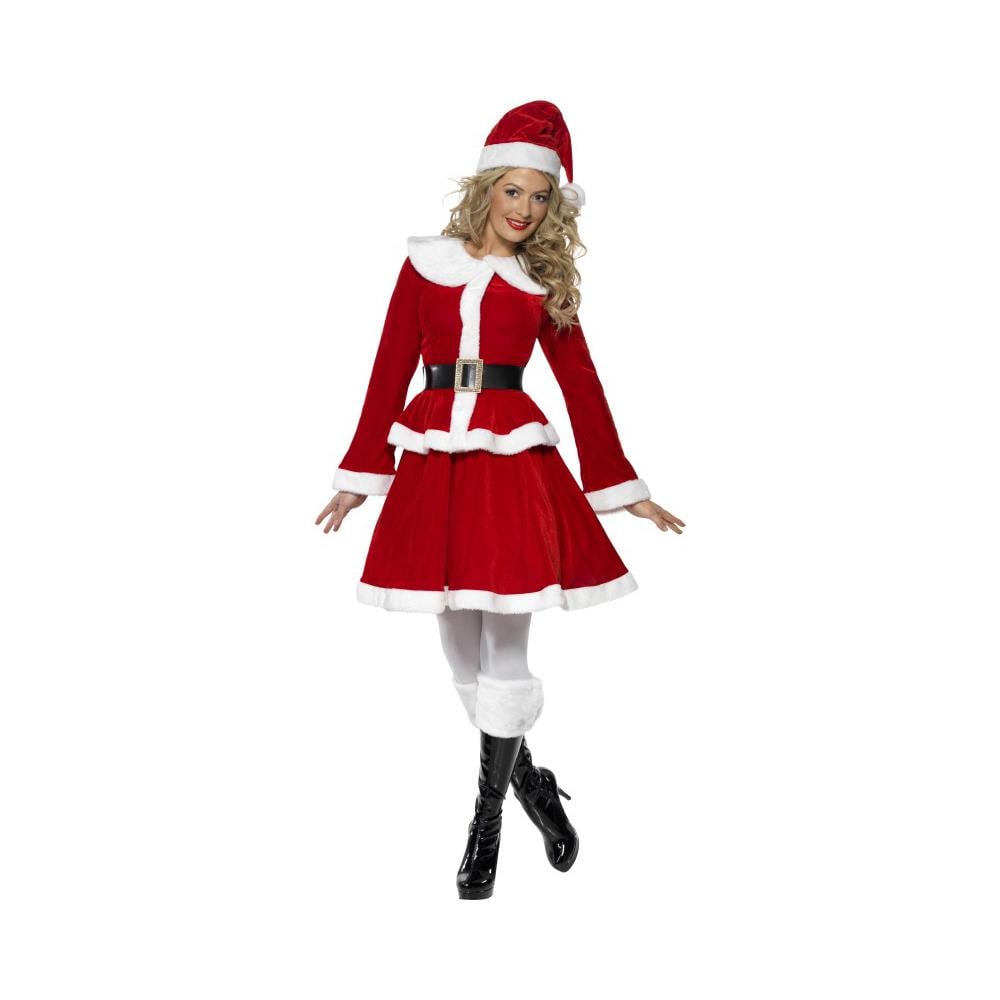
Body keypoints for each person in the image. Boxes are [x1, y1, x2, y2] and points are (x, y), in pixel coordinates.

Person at [315, 100, 685, 900]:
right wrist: (358, 473)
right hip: (435, 462)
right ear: (486, 189)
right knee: (460, 655)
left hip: (513, 462)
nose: (526, 209)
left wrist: (624, 488)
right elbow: (388, 366)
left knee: (505, 651)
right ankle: (532, 783)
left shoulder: (541, 282)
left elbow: (582, 385)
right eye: (514, 191)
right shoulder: (425, 265)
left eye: (541, 197)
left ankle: (484, 827)